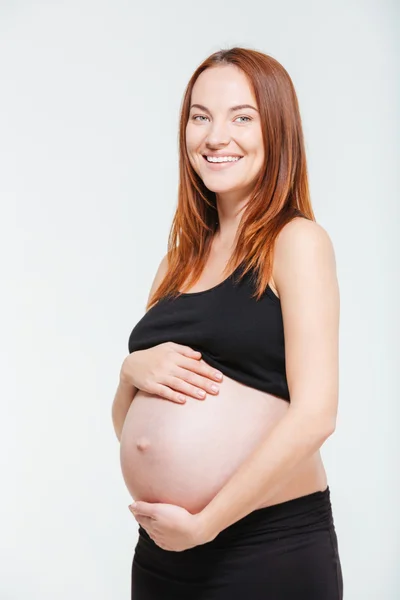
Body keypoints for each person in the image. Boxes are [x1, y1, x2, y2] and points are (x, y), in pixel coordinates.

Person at [111, 46, 343, 599]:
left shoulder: (297, 243)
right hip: (164, 550)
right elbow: (129, 425)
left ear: (277, 130)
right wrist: (129, 371)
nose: (216, 136)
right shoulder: (178, 261)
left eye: (242, 117)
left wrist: (208, 522)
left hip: (265, 547)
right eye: (200, 116)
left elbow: (316, 416)